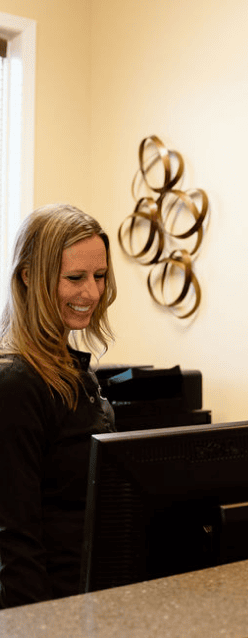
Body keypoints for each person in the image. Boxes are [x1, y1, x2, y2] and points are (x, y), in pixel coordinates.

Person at [0, 204, 118, 608]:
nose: (92, 293)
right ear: (29, 276)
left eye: (99, 276)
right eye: (75, 278)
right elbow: (14, 538)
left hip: (90, 597)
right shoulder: (16, 383)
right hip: (49, 609)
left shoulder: (69, 368)